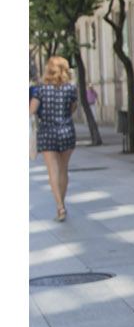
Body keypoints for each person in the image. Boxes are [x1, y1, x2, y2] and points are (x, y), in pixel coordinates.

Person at [31, 56, 79, 221]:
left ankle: (60, 207)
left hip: (47, 132)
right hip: (66, 131)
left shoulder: (40, 89)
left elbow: (31, 110)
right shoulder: (70, 89)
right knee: (64, 169)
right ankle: (62, 203)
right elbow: (72, 108)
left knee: (53, 171)